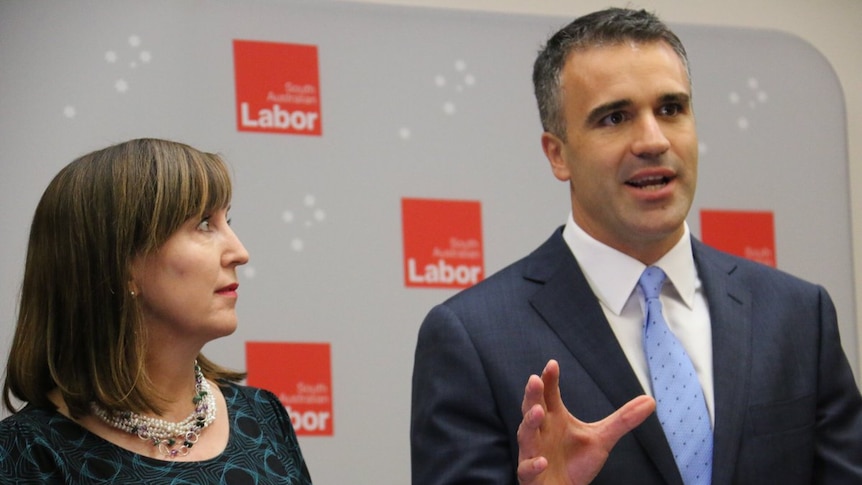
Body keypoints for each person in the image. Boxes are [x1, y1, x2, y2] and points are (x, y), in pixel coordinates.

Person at [411, 7, 862, 485]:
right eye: (615, 117)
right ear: (557, 154)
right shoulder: (473, 339)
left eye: (671, 109)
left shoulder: (797, 316)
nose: (652, 140)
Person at [0, 138, 313, 484]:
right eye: (205, 224)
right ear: (121, 264)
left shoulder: (262, 416)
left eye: (228, 221)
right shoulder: (29, 453)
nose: (240, 252)